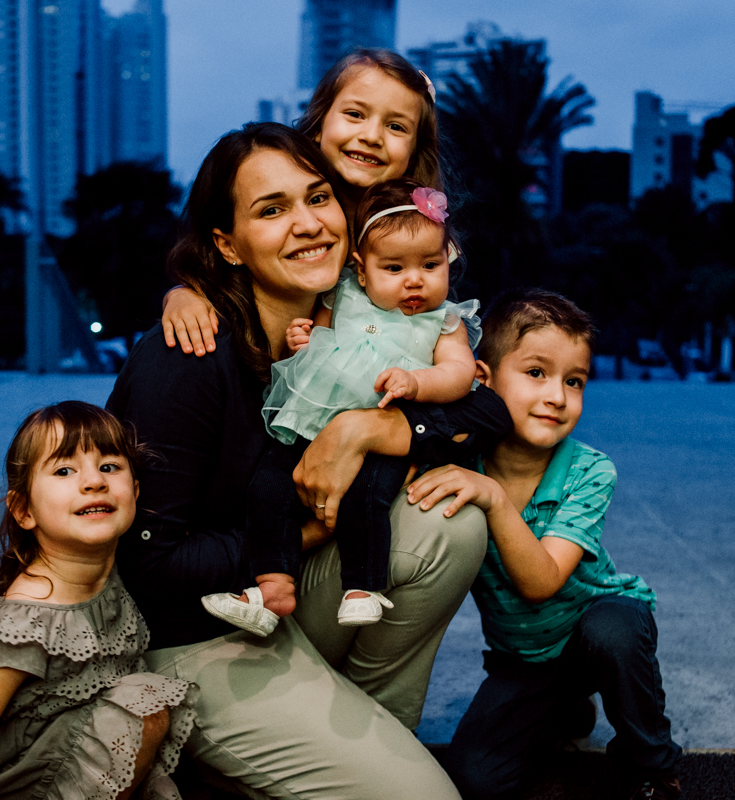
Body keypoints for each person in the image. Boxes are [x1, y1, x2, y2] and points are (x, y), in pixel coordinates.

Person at [106, 122, 510, 800]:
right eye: (272, 210)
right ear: (228, 245)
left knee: (449, 524)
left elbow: (484, 413)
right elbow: (146, 566)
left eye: (318, 198)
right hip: (195, 637)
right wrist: (306, 534)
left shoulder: (356, 315)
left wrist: (370, 427)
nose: (307, 223)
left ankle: (358, 743)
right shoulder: (189, 358)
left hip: (286, 606)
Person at [404, 290, 684, 800]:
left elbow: (541, 582)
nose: (558, 396)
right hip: (524, 659)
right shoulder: (458, 466)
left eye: (574, 381)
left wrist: (493, 499)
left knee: (614, 630)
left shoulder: (590, 470)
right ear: (483, 379)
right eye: (536, 373)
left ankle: (652, 765)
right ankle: (564, 708)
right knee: (474, 779)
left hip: (595, 631)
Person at [201, 178, 482, 634]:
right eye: (394, 267)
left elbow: (460, 373)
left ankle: (363, 586)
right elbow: (320, 340)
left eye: (430, 265)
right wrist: (302, 342)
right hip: (314, 418)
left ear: (448, 260)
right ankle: (273, 586)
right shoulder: (343, 295)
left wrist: (417, 381)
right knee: (268, 486)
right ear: (362, 270)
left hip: (384, 427)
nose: (414, 279)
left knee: (367, 498)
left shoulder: (444, 320)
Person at [0, 402, 198, 800]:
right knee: (141, 705)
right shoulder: (30, 620)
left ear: (136, 492)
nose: (94, 482)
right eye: (64, 471)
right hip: (26, 787)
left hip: (81, 749)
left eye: (109, 466)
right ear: (24, 510)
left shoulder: (109, 567)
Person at [161, 47, 442, 357]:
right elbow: (228, 272)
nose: (372, 136)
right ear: (319, 124)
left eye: (396, 127)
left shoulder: (417, 232)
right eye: (355, 114)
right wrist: (184, 296)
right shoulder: (280, 199)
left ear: (415, 150)